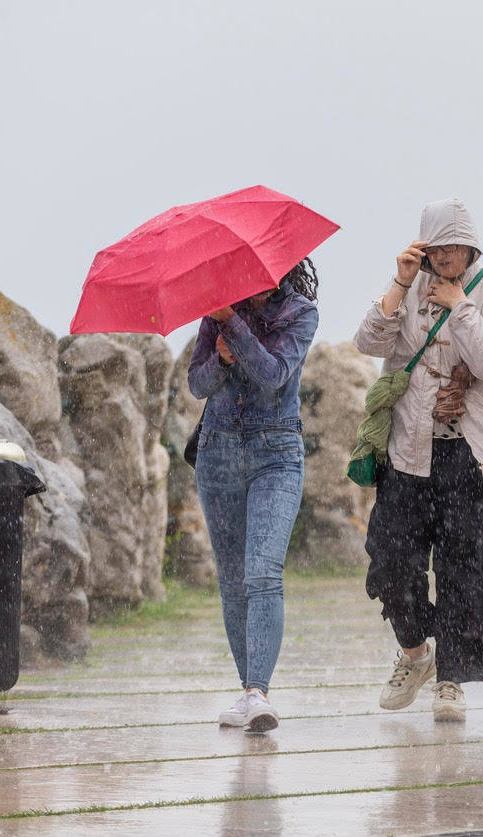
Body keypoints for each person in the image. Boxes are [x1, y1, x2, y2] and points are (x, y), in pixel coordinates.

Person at [354, 198, 483, 722]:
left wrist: (460, 305)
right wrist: (399, 283)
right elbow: (369, 341)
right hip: (409, 448)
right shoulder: (410, 286)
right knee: (389, 556)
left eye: (456, 248)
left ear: (472, 247)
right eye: (439, 248)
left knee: (462, 566)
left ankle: (452, 677)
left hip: (470, 454)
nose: (447, 257)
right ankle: (416, 653)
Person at [188, 258, 320, 733]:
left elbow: (273, 375)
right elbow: (195, 383)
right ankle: (248, 691)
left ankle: (257, 692)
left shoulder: (300, 313)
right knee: (233, 578)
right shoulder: (213, 313)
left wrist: (233, 327)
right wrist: (220, 358)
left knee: (263, 571)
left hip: (276, 452)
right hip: (217, 451)